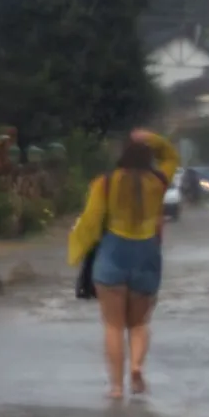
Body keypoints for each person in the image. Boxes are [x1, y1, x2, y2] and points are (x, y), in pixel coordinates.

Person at [68, 129, 180, 399]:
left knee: (113, 326)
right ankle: (137, 367)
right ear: (149, 156)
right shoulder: (159, 181)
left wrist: (77, 250)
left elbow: (91, 221)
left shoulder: (105, 183)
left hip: (112, 253)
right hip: (147, 253)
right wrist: (151, 138)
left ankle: (117, 387)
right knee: (139, 324)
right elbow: (172, 156)